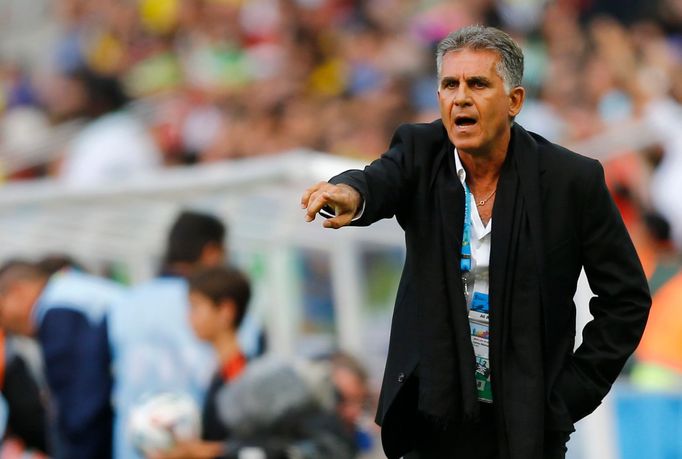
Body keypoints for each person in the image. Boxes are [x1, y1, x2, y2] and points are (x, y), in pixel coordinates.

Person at [301, 25, 651, 459]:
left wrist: (569, 395)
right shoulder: (420, 149)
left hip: (526, 424)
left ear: (514, 101)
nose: (460, 97)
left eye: (478, 84)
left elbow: (627, 298)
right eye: (450, 84)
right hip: (432, 419)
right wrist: (351, 194)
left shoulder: (570, 181)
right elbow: (379, 179)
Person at [108, 210, 227, 459]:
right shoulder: (219, 306)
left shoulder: (123, 303)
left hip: (131, 450)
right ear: (211, 252)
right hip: (199, 451)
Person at [0, 259, 124, 459]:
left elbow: (81, 405)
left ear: (17, 291)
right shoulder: (72, 292)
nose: (5, 326)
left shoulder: (57, 310)